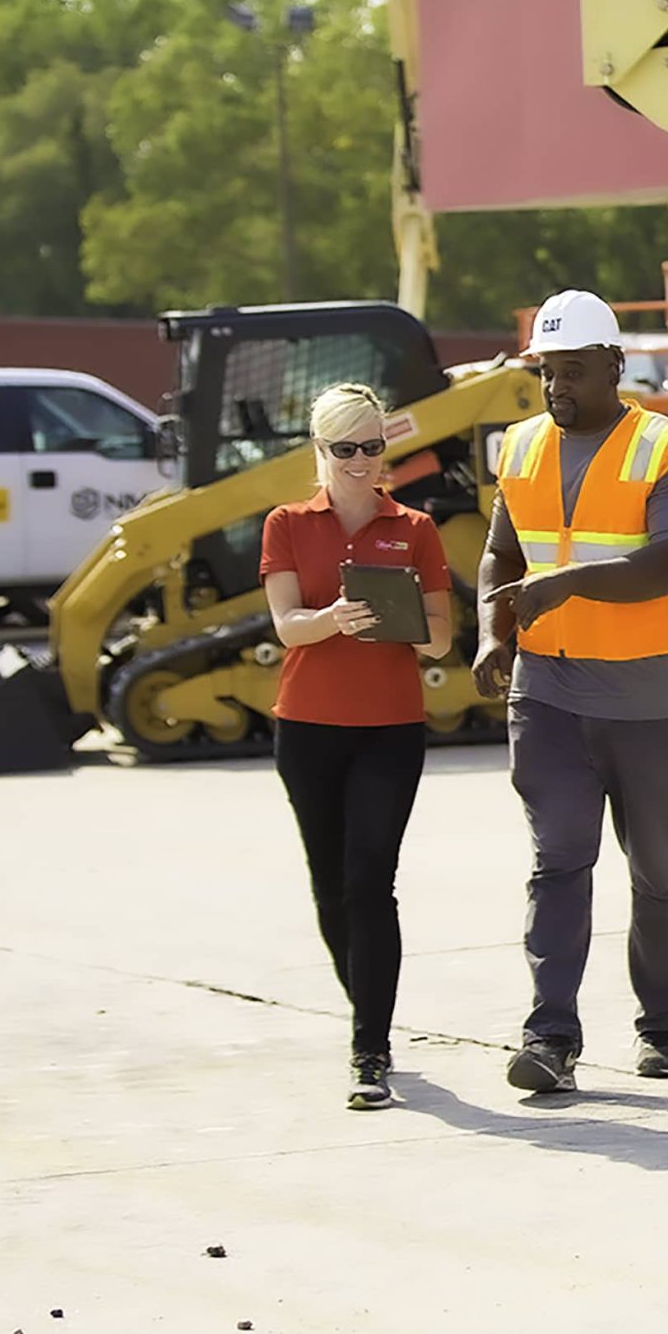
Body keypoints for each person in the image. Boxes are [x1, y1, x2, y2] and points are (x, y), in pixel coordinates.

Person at [476, 289, 668, 1095]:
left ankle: (665, 1023)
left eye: (574, 370)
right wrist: (492, 635)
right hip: (548, 698)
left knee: (659, 871)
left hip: (647, 704)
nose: (556, 387)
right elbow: (502, 556)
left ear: (615, 365)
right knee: (558, 862)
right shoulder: (520, 447)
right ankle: (550, 1037)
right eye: (547, 371)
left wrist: (568, 583)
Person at [260, 382, 456, 1111]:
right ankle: (366, 1004)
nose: (359, 461)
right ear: (320, 450)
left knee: (372, 880)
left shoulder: (415, 527)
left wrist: (395, 614)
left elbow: (439, 634)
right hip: (307, 725)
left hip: (389, 728)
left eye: (372, 447)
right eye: (344, 448)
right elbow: (286, 624)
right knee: (330, 885)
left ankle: (370, 1045)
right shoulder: (286, 523)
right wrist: (332, 618)